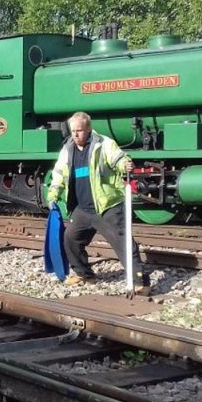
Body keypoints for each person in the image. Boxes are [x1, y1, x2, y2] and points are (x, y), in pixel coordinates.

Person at [46, 111, 150, 293]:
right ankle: (83, 274)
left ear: (88, 129)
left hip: (106, 206)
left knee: (123, 243)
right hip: (82, 208)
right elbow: (59, 173)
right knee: (71, 238)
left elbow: (118, 159)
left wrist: (124, 164)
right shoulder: (67, 148)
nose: (75, 134)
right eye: (73, 131)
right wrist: (54, 192)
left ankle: (140, 281)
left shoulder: (104, 144)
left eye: (79, 130)